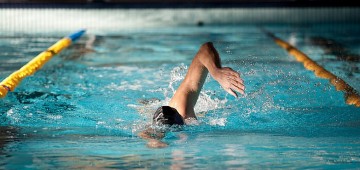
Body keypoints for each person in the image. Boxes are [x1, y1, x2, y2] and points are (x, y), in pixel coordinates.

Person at [139, 42, 245, 148]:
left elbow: (205, 48)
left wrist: (216, 71)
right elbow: (145, 134)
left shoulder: (182, 108)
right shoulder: (156, 128)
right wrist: (153, 141)